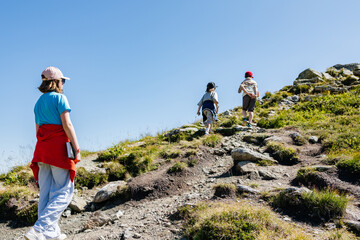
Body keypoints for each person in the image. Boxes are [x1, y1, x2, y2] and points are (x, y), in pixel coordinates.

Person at [25, 66, 81, 240]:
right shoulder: (60, 99)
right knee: (64, 191)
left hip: (41, 151)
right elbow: (67, 125)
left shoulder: (38, 103)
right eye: (62, 80)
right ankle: (39, 228)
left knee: (46, 192)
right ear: (56, 82)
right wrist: (76, 148)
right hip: (58, 149)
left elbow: (37, 131)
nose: (63, 83)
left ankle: (50, 234)